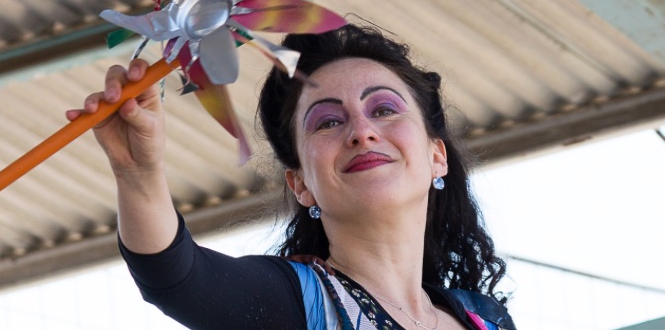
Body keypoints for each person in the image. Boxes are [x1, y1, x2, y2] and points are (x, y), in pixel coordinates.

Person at [66, 23, 515, 329]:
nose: (362, 131)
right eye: (327, 122)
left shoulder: (486, 319)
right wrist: (138, 171)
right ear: (300, 184)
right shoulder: (299, 306)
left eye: (383, 109)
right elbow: (177, 277)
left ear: (438, 156)